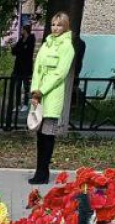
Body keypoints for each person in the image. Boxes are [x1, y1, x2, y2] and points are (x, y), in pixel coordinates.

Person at [29, 12, 75, 185]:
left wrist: (41, 91)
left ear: (65, 26)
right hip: (39, 95)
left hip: (52, 94)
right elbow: (37, 69)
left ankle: (43, 172)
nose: (55, 28)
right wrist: (35, 91)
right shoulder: (46, 44)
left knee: (47, 135)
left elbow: (59, 74)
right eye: (53, 24)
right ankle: (39, 171)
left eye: (59, 25)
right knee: (40, 136)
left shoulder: (67, 47)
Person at [6, 23, 34, 131]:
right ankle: (18, 104)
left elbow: (27, 51)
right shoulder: (21, 40)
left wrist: (20, 49)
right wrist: (17, 48)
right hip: (18, 67)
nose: (21, 31)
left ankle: (25, 104)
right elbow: (15, 52)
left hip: (26, 67)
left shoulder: (31, 39)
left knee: (26, 86)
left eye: (22, 29)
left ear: (25, 30)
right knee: (17, 86)